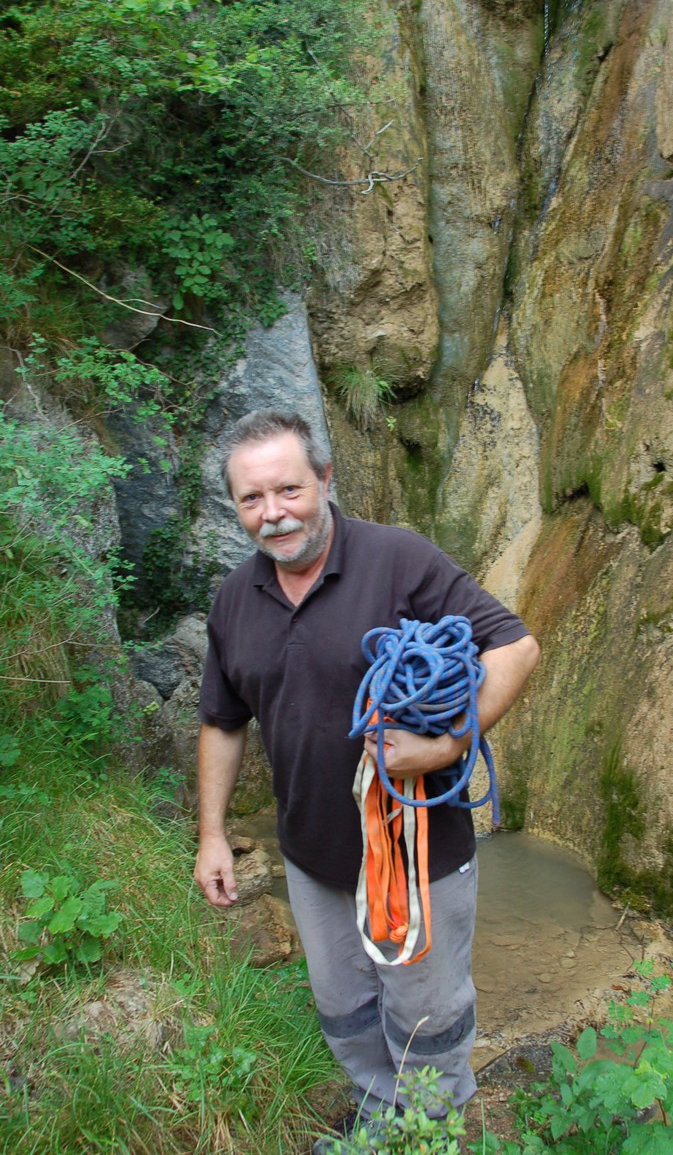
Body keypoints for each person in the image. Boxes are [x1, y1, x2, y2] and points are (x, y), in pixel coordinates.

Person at [193, 409, 539, 1153]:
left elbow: (515, 645)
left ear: (324, 479)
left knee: (427, 1017)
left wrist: (445, 745)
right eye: (252, 499)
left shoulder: (398, 559)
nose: (273, 513)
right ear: (236, 506)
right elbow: (222, 721)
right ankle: (380, 1115)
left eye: (288, 489)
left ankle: (431, 1132)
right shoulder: (235, 599)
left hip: (416, 855)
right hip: (312, 855)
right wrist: (213, 835)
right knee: (344, 1006)